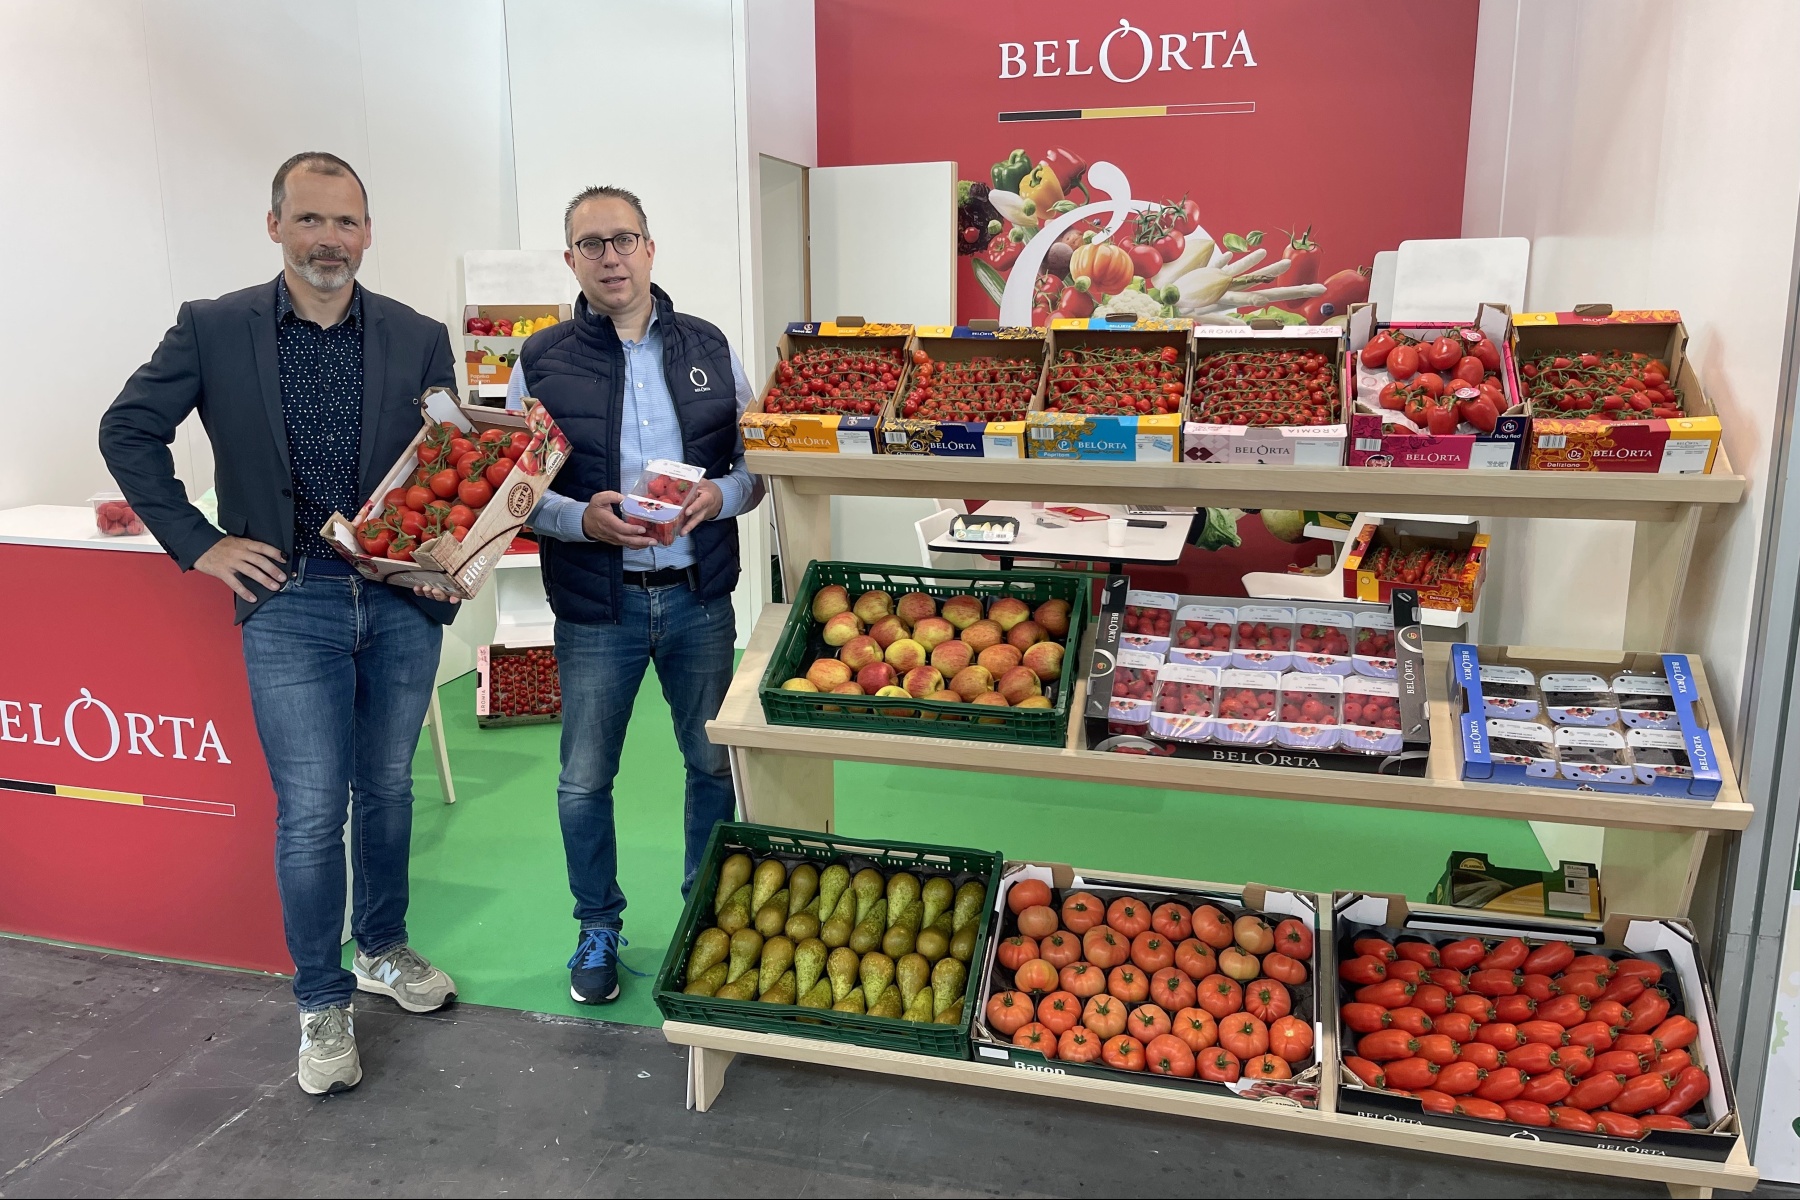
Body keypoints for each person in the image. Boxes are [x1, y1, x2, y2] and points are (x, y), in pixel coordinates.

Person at [100, 152, 461, 1095]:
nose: (328, 240)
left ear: (369, 233)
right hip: (286, 598)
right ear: (275, 227)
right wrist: (200, 543)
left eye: (345, 223)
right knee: (311, 812)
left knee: (388, 788)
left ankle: (382, 948)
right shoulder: (214, 329)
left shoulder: (419, 338)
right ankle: (320, 999)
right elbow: (128, 429)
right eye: (309, 221)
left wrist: (450, 556)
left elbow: (443, 462)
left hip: (397, 598)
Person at [508, 185, 763, 1004]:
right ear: (571, 259)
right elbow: (507, 492)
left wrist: (718, 498)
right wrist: (581, 518)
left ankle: (706, 913)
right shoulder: (540, 361)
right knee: (584, 778)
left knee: (712, 764)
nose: (610, 257)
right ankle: (597, 924)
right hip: (597, 604)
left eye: (623, 240)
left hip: (697, 595)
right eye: (591, 244)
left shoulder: (710, 347)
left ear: (651, 248)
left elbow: (762, 465)